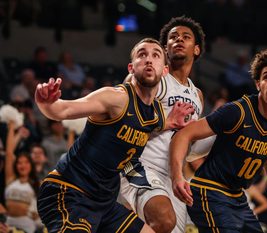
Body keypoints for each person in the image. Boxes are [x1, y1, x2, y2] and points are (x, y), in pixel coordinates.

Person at [35, 38, 194, 233]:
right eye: (142, 55)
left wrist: (170, 122)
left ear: (165, 70)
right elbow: (63, 110)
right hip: (70, 192)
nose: (149, 60)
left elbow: (152, 124)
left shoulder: (157, 113)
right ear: (131, 67)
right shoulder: (115, 98)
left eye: (156, 55)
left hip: (104, 204)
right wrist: (46, 102)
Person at [170, 48, 267, 233]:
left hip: (238, 197)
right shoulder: (237, 111)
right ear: (258, 83)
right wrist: (177, 176)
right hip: (209, 191)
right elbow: (183, 134)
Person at [118, 16, 205, 233]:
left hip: (173, 174)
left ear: (196, 49)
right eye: (173, 37)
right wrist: (166, 122)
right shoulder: (152, 78)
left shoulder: (197, 95)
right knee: (163, 221)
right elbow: (124, 120)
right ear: (165, 49)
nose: (178, 40)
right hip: (138, 164)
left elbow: (184, 142)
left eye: (186, 37)